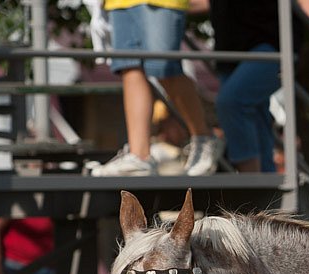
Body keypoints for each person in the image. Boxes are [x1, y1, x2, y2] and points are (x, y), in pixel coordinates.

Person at [90, 0, 220, 177]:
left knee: (164, 68)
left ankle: (204, 138)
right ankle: (139, 155)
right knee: (129, 69)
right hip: (117, 3)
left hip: (160, 2)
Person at [208, 0, 309, 172]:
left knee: (231, 102)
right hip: (229, 48)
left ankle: (252, 184)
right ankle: (266, 184)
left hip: (271, 41)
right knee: (255, 115)